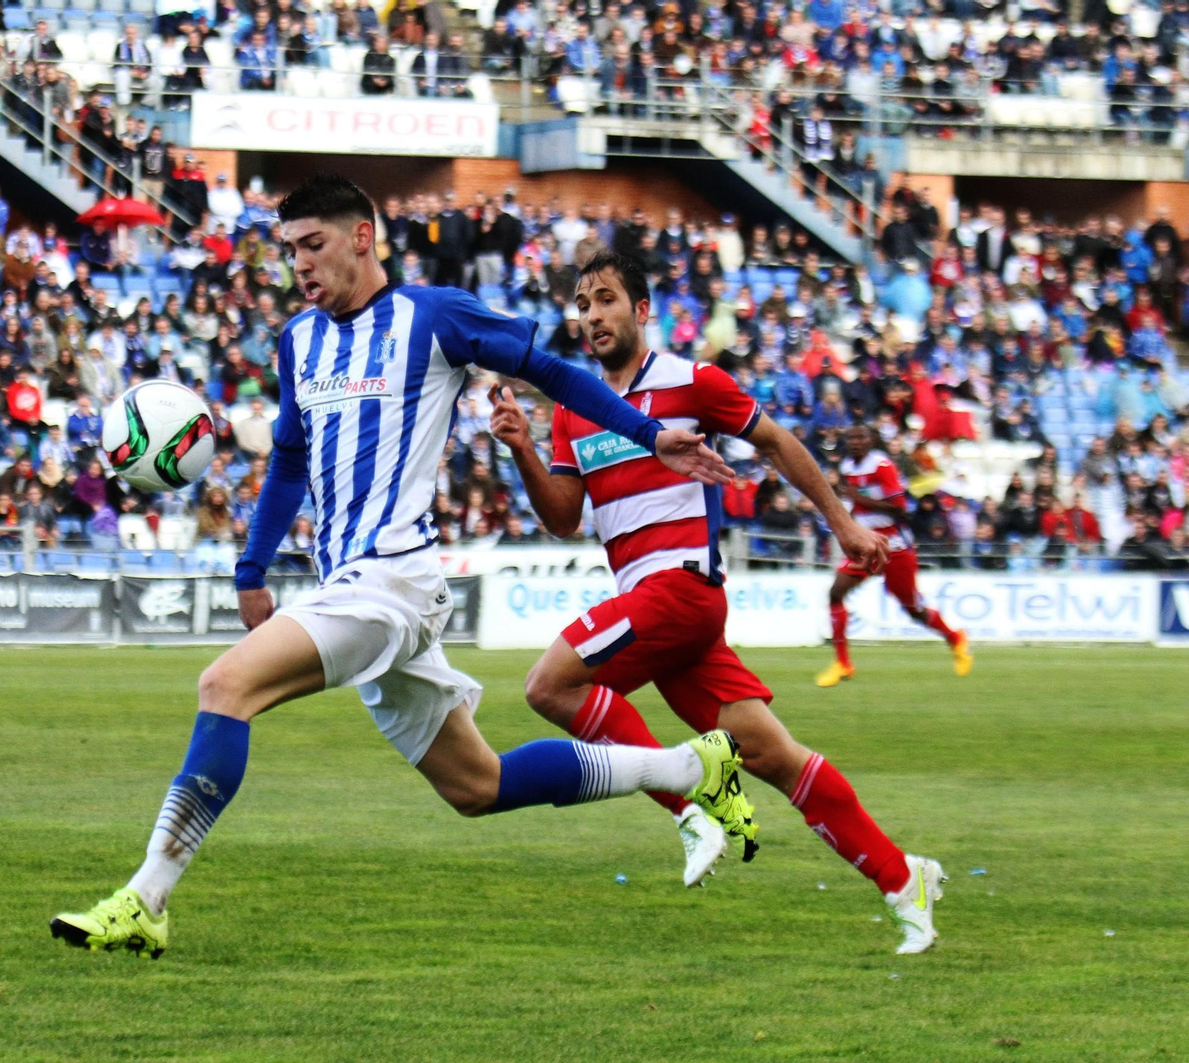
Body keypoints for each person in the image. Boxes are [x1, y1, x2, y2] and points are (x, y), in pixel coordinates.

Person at [49, 174, 746, 957]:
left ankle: (147, 896)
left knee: (224, 685)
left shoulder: (433, 315)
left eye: (313, 246)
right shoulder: (298, 342)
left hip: (395, 578)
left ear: (361, 237)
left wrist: (648, 434)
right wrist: (251, 570)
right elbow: (287, 461)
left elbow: (555, 373)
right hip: (354, 583)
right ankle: (689, 766)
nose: (300, 267)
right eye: (289, 252)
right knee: (476, 786)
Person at [491, 252, 945, 954]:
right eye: (583, 304)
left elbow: (776, 441)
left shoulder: (691, 381)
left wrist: (844, 524)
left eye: (606, 299)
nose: (592, 316)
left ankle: (694, 806)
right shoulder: (574, 408)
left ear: (642, 311)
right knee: (775, 754)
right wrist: (522, 447)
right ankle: (900, 877)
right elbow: (562, 518)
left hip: (679, 588)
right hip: (658, 613)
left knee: (550, 683)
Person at [818, 424, 973, 688]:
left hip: (894, 546)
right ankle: (843, 663)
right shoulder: (847, 467)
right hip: (867, 542)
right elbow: (856, 505)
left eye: (861, 437)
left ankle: (955, 638)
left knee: (913, 609)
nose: (855, 442)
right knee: (835, 592)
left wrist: (861, 501)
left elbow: (901, 509)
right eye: (851, 437)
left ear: (871, 440)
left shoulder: (882, 466)